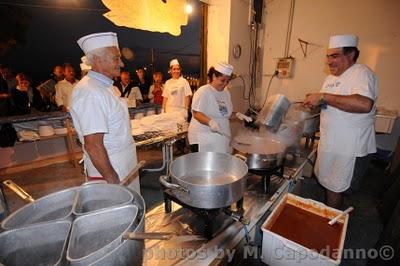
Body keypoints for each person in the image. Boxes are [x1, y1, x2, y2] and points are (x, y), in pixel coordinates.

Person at [303, 34, 378, 209]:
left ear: (350, 55)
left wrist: (323, 96)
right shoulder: (330, 79)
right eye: (328, 56)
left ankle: (333, 223)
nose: (329, 61)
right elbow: (327, 104)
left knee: (336, 187)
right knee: (330, 185)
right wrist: (312, 104)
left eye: (334, 56)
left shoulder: (362, 73)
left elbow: (365, 104)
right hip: (331, 143)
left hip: (350, 148)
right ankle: (333, 215)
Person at [70, 32, 140, 193]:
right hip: (111, 170)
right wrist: (113, 181)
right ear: (97, 59)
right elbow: (93, 145)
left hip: (122, 163)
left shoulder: (105, 86)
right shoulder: (90, 92)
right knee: (119, 216)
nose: (121, 63)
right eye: (116, 58)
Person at [188, 62, 252, 153]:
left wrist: (237, 114)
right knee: (205, 165)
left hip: (220, 137)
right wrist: (210, 122)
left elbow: (225, 114)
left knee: (220, 164)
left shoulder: (226, 93)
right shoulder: (204, 91)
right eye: (222, 80)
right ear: (214, 76)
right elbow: (196, 114)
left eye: (227, 81)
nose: (225, 84)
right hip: (203, 137)